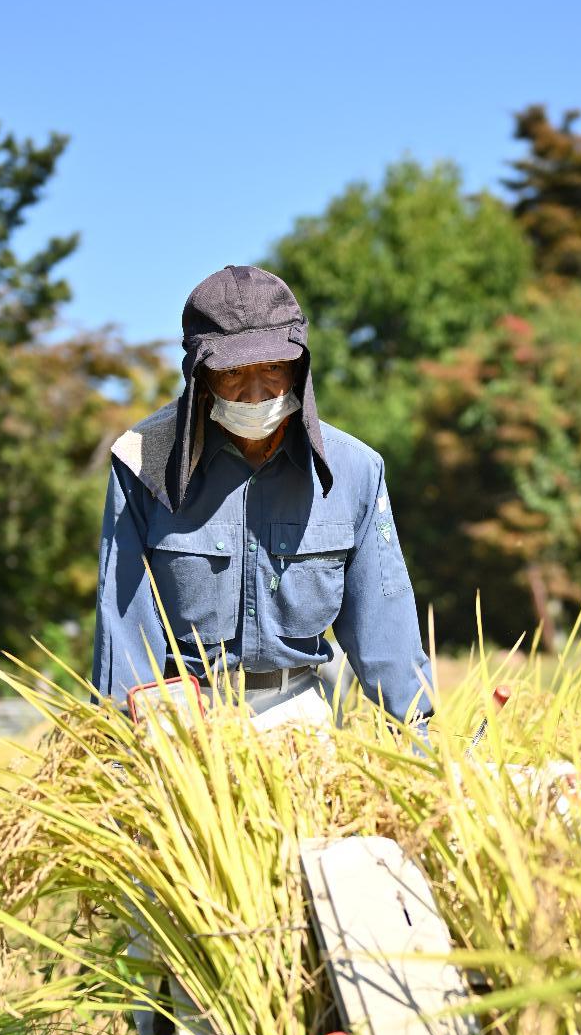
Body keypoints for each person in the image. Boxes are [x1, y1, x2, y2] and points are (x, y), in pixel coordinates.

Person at [92, 265, 432, 731]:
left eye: (272, 367)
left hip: (299, 714)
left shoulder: (356, 471)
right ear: (201, 378)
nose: (255, 393)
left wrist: (416, 740)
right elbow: (123, 621)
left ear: (298, 368)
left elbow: (384, 621)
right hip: (183, 718)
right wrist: (118, 750)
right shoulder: (142, 464)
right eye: (233, 372)